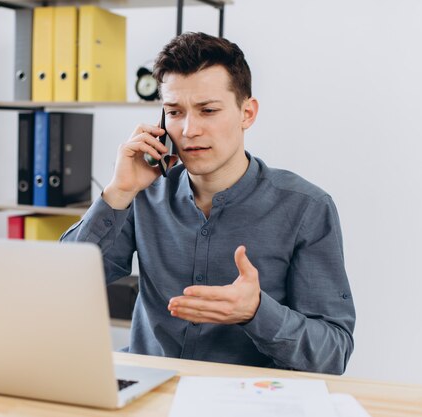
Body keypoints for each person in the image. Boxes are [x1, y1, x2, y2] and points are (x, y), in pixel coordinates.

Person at [61, 32, 355, 375]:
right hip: (150, 390)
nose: (188, 130)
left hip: (248, 399)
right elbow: (63, 287)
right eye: (174, 112)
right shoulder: (142, 193)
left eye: (208, 110)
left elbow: (332, 353)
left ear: (247, 113)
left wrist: (257, 311)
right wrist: (118, 192)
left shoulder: (306, 207)